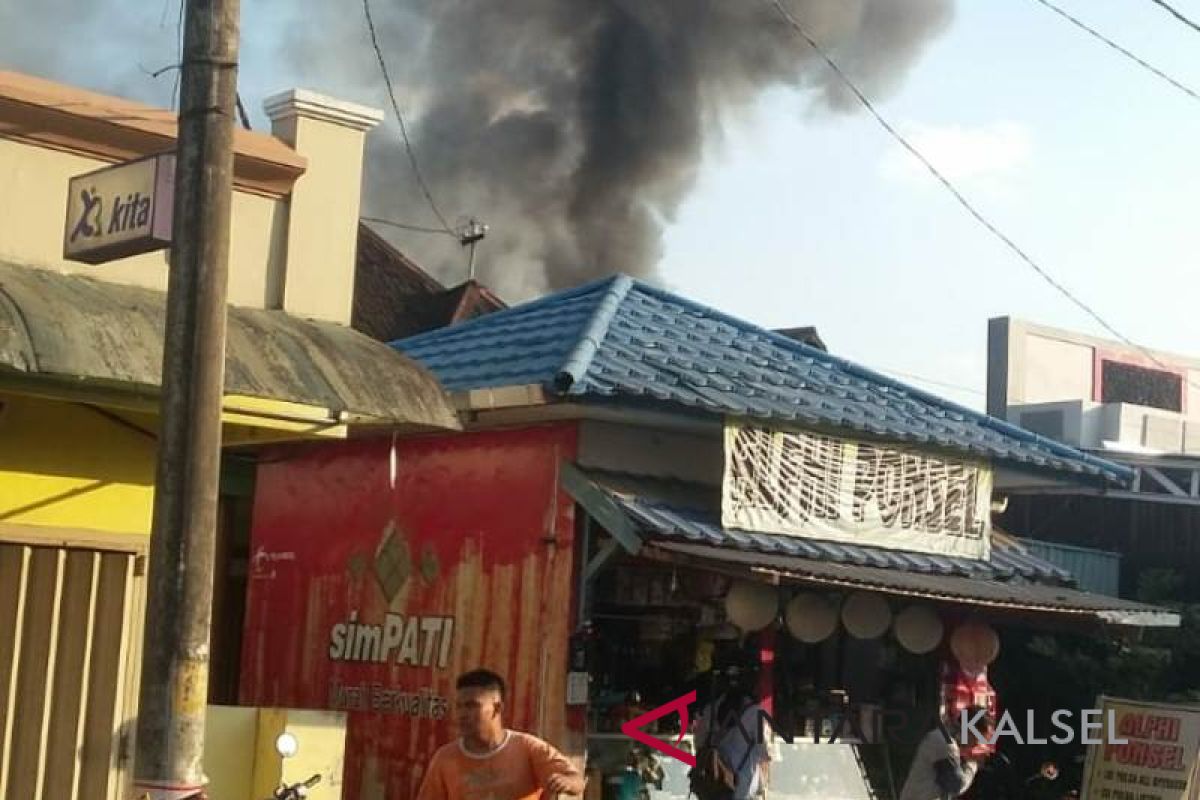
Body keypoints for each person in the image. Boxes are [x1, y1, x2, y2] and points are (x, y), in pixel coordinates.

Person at [416, 668, 587, 800]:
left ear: (497, 708)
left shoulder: (527, 748)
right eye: (459, 706)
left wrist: (565, 782)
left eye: (472, 706)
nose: (462, 714)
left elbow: (576, 780)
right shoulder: (445, 758)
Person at [691, 664, 771, 800]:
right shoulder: (756, 714)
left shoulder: (711, 710)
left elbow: (699, 742)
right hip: (741, 788)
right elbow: (764, 752)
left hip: (713, 786)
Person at [898, 707, 994, 800]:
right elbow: (956, 785)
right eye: (978, 739)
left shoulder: (945, 740)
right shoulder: (945, 743)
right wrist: (972, 762)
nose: (977, 744)